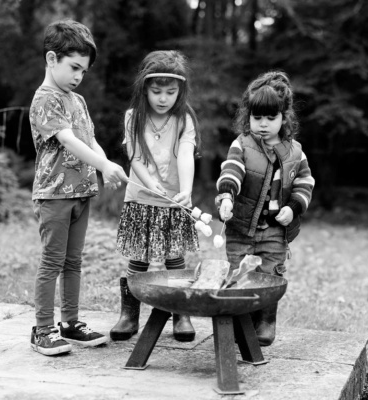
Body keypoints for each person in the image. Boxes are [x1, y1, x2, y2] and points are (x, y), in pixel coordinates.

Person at [29, 20, 129, 356]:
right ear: (51, 58)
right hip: (54, 196)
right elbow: (68, 140)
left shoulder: (78, 101)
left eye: (83, 71)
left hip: (81, 193)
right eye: (73, 67)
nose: (78, 76)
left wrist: (108, 166)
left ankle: (69, 323)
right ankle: (42, 329)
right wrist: (102, 165)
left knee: (74, 262)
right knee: (52, 262)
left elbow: (91, 141)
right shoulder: (46, 100)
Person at [215, 71, 315, 346]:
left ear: (284, 118)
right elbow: (231, 171)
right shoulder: (242, 145)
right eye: (257, 118)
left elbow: (305, 183)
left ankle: (266, 321)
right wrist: (226, 196)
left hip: (274, 230)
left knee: (270, 274)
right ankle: (239, 321)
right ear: (248, 117)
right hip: (241, 227)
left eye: (271, 118)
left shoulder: (295, 152)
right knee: (238, 274)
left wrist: (294, 207)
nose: (263, 124)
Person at [111, 50, 201, 342]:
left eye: (171, 92)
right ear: (144, 89)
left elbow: (186, 154)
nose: (163, 98)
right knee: (139, 259)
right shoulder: (133, 117)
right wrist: (150, 183)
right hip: (140, 198)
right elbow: (134, 157)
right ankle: (128, 315)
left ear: (180, 91)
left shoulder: (184, 118)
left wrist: (186, 190)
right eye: (156, 91)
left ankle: (181, 314)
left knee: (175, 259)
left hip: (174, 201)